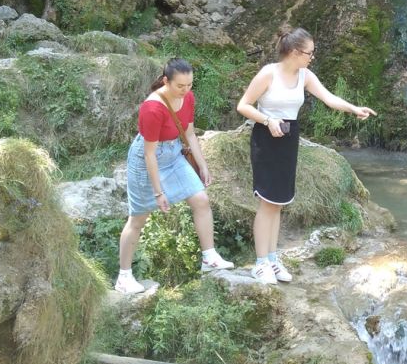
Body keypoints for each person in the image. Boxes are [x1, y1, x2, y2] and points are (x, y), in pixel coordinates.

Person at [236, 26, 376, 284]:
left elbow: (329, 98)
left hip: (289, 138)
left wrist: (354, 108)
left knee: (278, 202)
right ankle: (260, 263)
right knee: (267, 201)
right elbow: (243, 105)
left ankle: (273, 259)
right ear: (293, 52)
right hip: (267, 137)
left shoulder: (305, 76)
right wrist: (268, 120)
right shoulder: (268, 73)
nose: (312, 57)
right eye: (309, 53)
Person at [115, 58, 234, 294]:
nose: (186, 90)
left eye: (189, 85)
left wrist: (203, 166)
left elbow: (189, 134)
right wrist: (159, 192)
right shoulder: (152, 108)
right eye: (180, 86)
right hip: (147, 160)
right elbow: (149, 155)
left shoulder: (188, 97)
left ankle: (209, 258)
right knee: (138, 219)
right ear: (165, 80)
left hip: (173, 153)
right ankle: (124, 277)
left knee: (201, 199)